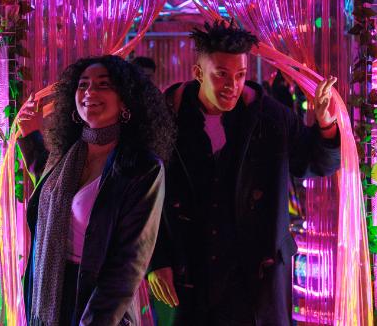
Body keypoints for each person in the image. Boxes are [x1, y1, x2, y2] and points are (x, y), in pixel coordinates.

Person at [146, 21, 342, 326]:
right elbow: (143, 197)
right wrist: (156, 259)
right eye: (221, 74)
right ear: (198, 73)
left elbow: (314, 165)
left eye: (239, 75)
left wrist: (326, 125)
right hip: (188, 267)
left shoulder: (271, 117)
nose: (231, 85)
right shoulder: (164, 119)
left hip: (256, 271)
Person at [17, 55, 175, 326]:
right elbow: (55, 193)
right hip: (48, 293)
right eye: (83, 85)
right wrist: (30, 137)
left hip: (98, 303)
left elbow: (129, 263)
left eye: (103, 85)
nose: (90, 92)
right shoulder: (68, 154)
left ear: (124, 100)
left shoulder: (142, 168)